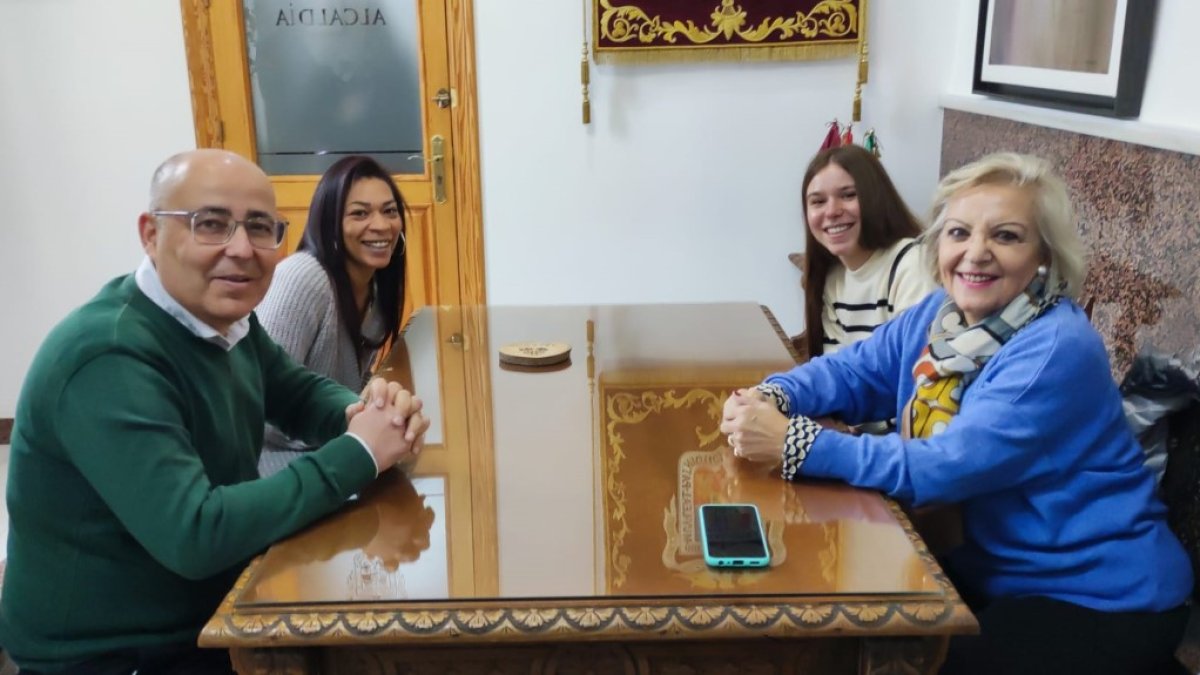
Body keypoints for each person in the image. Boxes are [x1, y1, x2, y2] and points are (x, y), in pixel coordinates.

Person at [722, 153, 1193, 674]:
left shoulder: (1056, 347)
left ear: (1044, 256)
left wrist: (797, 444)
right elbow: (855, 371)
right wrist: (774, 395)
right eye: (959, 233)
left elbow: (943, 467)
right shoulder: (942, 314)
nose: (976, 253)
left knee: (891, 661)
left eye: (1006, 236)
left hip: (1097, 595)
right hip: (996, 567)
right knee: (840, 620)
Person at [0, 149, 430, 674]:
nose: (241, 249)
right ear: (151, 234)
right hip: (113, 653)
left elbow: (296, 392)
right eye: (211, 224)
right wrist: (361, 450)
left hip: (209, 608)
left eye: (260, 227)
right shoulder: (108, 355)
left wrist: (366, 409)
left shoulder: (227, 321)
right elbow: (197, 534)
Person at [257, 155, 408, 476]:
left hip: (333, 449)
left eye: (389, 211)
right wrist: (357, 433)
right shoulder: (302, 278)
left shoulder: (376, 287)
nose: (381, 225)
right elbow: (262, 409)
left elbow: (353, 387)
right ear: (330, 222)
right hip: (276, 464)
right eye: (360, 213)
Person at [799, 144, 936, 358]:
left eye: (848, 195)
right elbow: (836, 370)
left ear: (877, 198)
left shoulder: (912, 263)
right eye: (818, 201)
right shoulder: (834, 280)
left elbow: (914, 363)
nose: (832, 211)